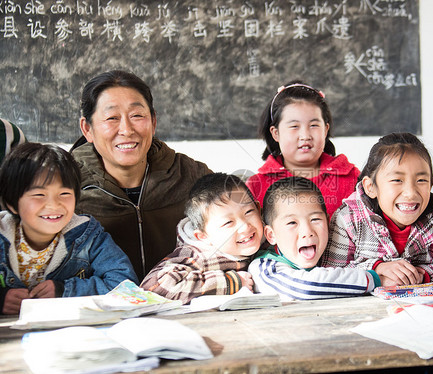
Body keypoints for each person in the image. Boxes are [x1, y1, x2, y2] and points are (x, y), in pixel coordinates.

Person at [71, 70, 212, 279]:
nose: (126, 130)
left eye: (137, 116)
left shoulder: (191, 176)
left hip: (181, 304)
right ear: (87, 129)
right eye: (111, 118)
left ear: (153, 121)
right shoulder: (66, 185)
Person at [322, 133, 433, 286]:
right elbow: (331, 274)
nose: (410, 193)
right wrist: (376, 270)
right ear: (370, 187)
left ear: (431, 184)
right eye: (397, 180)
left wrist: (420, 275)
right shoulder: (348, 218)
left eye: (421, 180)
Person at [0, 143, 137, 315]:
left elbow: (125, 284)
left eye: (64, 194)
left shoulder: (88, 235)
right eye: (39, 195)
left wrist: (64, 291)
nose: (53, 205)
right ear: (12, 204)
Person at [249, 176, 385, 301]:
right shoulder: (263, 268)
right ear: (271, 235)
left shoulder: (333, 254)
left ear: (327, 222)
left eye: (315, 219)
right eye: (292, 223)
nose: (307, 232)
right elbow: (305, 287)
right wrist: (374, 279)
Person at [140, 173, 263, 304]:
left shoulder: (270, 236)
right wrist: (231, 282)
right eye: (228, 223)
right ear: (203, 236)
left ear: (258, 209)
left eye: (249, 212)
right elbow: (154, 287)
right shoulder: (197, 255)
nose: (245, 227)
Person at [246, 80, 360, 217]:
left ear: (325, 130)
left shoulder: (353, 178)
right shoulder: (256, 186)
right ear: (275, 133)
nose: (305, 136)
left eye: (314, 125)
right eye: (294, 126)